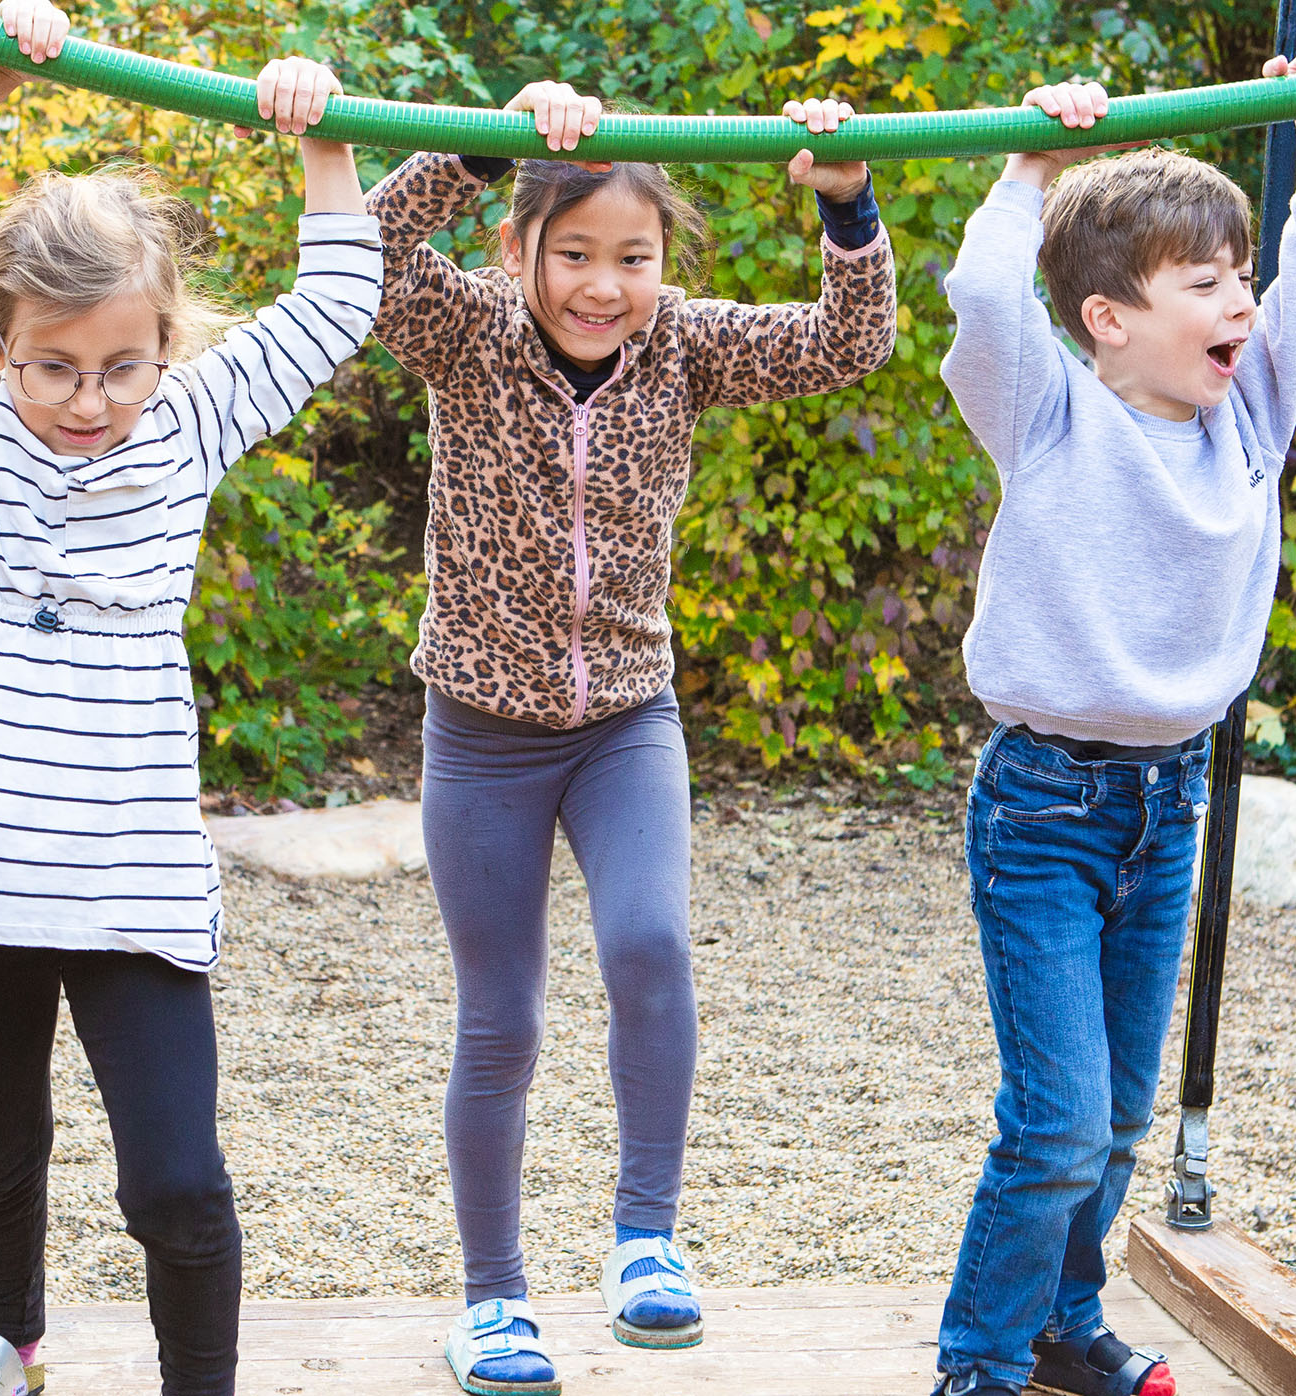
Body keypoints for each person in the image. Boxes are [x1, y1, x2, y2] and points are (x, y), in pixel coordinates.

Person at [0, 3, 378, 1392]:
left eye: (121, 365)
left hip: (126, 876)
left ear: (164, 345)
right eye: (55, 367)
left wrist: (320, 145)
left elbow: (334, 307)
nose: (89, 399)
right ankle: (6, 1339)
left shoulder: (189, 419)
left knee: (178, 1187)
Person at [365, 79, 898, 1396]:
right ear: (520, 253)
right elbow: (366, 260)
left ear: (666, 263)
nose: (604, 287)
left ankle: (646, 1241)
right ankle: (494, 1301)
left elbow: (851, 342)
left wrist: (847, 207)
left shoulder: (687, 346)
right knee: (501, 1019)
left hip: (625, 723)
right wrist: (485, 145)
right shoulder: (465, 333)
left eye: (633, 259)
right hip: (482, 729)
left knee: (652, 943)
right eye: (576, 257)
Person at [927, 39, 1296, 1396]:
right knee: (1058, 1121)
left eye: (1241, 276)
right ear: (1110, 318)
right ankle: (982, 1366)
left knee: (1118, 1116)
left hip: (1167, 799)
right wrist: (1034, 166)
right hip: (1043, 806)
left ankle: (1069, 1326)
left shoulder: (1251, 415)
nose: (1242, 302)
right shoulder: (1050, 411)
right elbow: (985, 297)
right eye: (1205, 283)